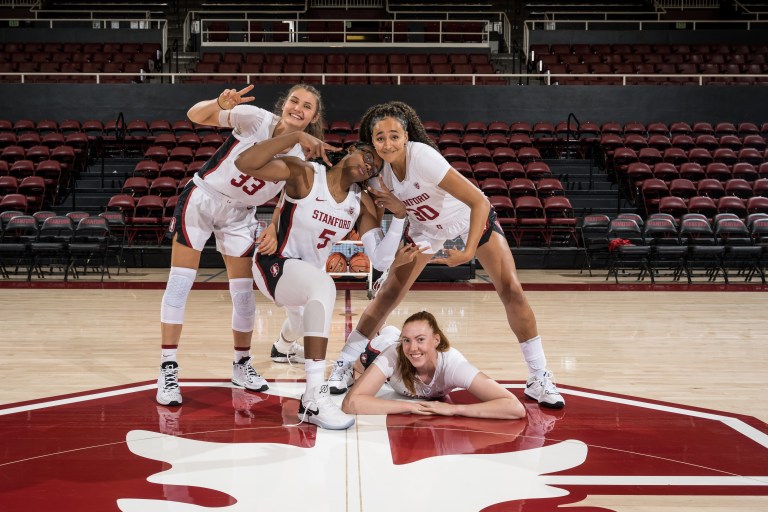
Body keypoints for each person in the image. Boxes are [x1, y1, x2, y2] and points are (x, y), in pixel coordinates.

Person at [328, 101, 565, 410]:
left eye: (394, 136)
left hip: (467, 221)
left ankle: (538, 377)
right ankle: (344, 364)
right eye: (380, 137)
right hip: (426, 230)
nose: (388, 144)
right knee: (388, 294)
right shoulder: (376, 173)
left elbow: (479, 202)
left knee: (512, 291)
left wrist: (467, 251)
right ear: (371, 140)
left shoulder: (422, 157)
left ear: (407, 135)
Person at [156, 84, 325, 407]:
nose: (297, 109)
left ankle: (241, 364)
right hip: (203, 199)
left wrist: (274, 227)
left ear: (314, 117)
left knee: (244, 297)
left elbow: (289, 200)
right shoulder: (254, 118)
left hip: (240, 215)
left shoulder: (300, 158)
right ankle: (167, 366)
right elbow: (195, 116)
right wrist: (217, 102)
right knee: (180, 284)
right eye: (294, 101)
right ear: (284, 102)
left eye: (306, 106)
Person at [233, 129, 409, 430]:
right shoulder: (305, 173)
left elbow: (380, 259)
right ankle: (313, 398)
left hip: (302, 277)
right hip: (273, 263)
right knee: (324, 287)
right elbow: (244, 163)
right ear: (350, 149)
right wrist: (294, 137)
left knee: (305, 319)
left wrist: (401, 217)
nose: (369, 165)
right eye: (367, 156)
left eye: (375, 167)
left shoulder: (361, 202)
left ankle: (282, 345)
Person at [341, 311, 526, 419]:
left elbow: (514, 407)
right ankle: (388, 333)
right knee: (359, 365)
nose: (413, 347)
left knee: (397, 339)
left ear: (436, 340)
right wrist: (411, 406)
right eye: (407, 340)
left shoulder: (453, 364)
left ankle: (393, 331)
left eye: (421, 339)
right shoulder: (393, 355)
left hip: (397, 347)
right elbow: (351, 403)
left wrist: (455, 409)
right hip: (383, 347)